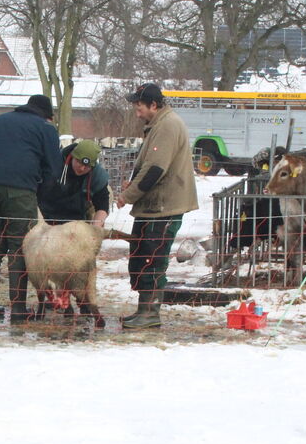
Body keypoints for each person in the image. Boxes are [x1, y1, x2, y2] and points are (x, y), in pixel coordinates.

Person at [0, 94, 62, 321]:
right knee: (19, 246)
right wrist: (41, 197)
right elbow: (54, 168)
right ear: (47, 115)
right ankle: (18, 308)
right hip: (19, 188)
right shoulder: (45, 128)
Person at [115, 83, 198, 329]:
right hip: (154, 205)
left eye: (139, 107)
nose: (137, 112)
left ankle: (150, 313)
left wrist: (128, 195)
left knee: (152, 258)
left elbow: (156, 169)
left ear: (153, 104)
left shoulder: (168, 125)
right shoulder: (159, 125)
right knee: (142, 256)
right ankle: (144, 310)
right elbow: (150, 163)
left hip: (164, 207)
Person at [38, 139, 110, 227]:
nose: (82, 168)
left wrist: (95, 229)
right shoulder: (52, 164)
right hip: (45, 220)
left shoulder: (97, 175)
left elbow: (102, 206)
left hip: (76, 225)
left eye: (87, 166)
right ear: (72, 156)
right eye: (79, 162)